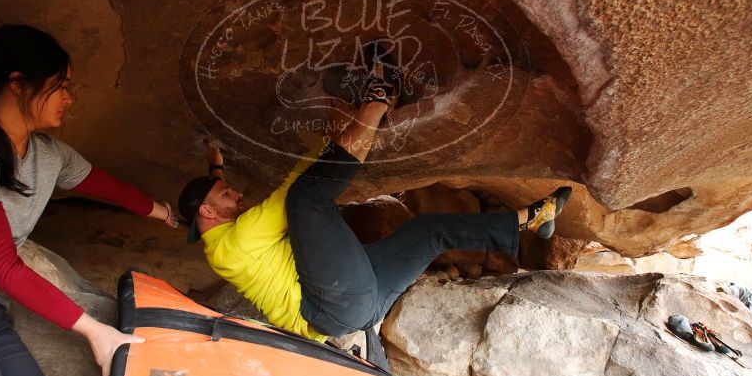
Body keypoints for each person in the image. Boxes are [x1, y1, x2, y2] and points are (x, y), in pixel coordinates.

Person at [178, 58, 571, 342]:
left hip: (362, 302)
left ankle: (526, 220)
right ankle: (378, 100)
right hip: (333, 307)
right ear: (209, 213)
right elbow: (292, 196)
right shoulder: (237, 241)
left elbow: (213, 194)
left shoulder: (220, 239)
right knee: (305, 200)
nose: (238, 193)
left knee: (428, 231)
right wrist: (329, 141)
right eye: (227, 194)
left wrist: (215, 164)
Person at [0, 25, 178, 376]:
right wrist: (96, 331)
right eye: (60, 86)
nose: (70, 98)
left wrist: (163, 213)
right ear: (17, 84)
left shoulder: (48, 155)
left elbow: (107, 187)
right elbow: (0, 265)